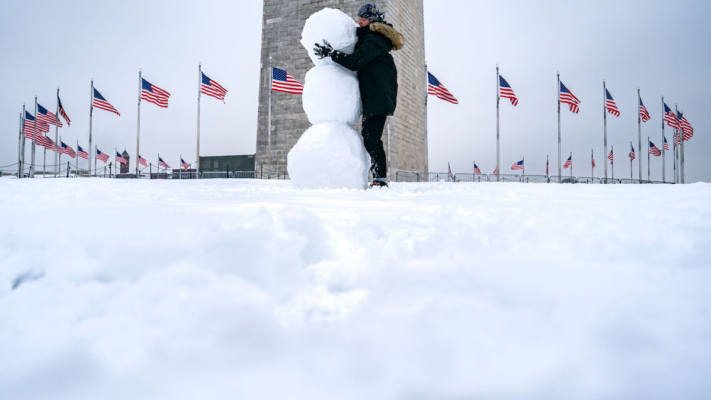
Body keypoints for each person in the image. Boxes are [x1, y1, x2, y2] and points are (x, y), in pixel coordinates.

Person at [314, 4, 403, 188]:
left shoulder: (374, 40)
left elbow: (357, 61)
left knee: (371, 139)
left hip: (377, 97)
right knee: (370, 137)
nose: (359, 21)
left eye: (363, 18)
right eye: (359, 17)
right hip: (376, 96)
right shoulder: (372, 38)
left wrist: (332, 53)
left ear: (373, 21)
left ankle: (379, 180)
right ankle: (378, 179)